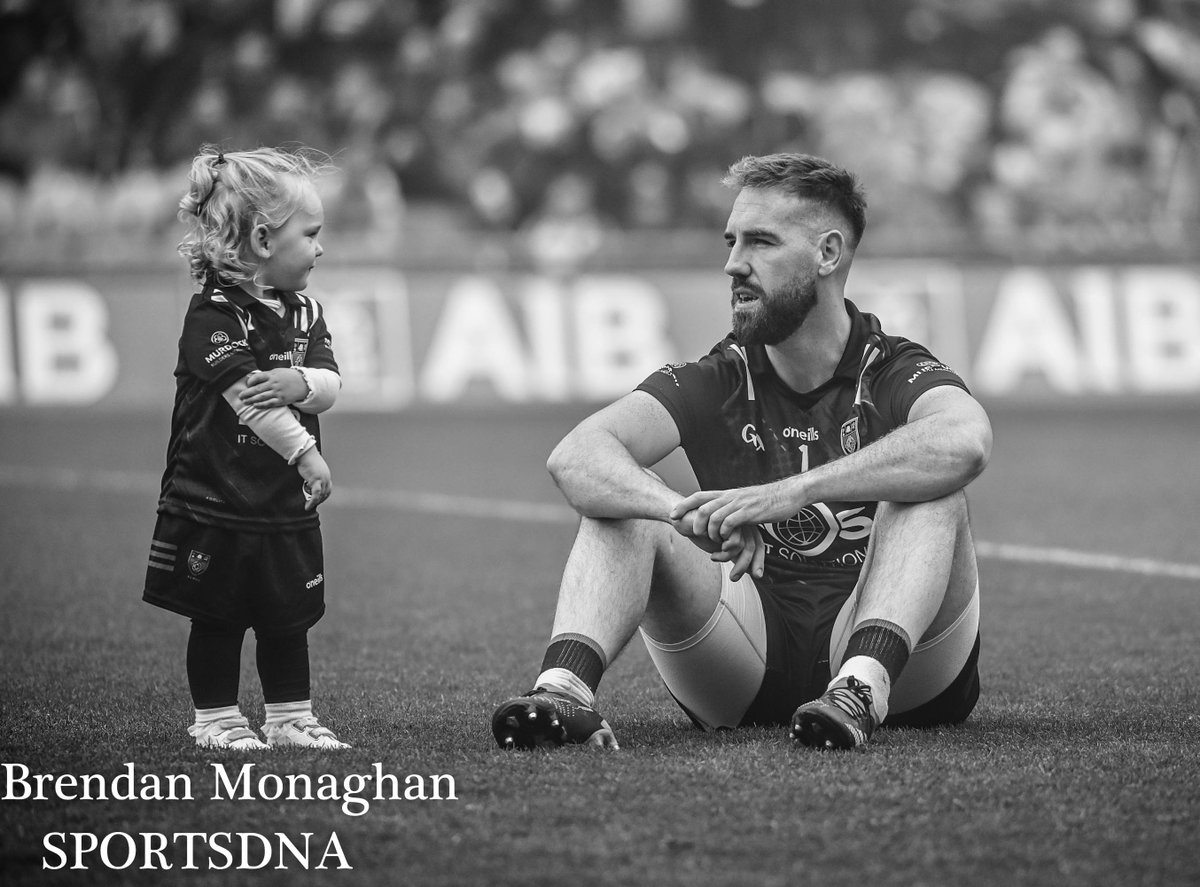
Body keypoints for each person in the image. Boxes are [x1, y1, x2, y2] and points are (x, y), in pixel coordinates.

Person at [491, 152, 992, 751]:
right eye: (731, 242)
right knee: (621, 505)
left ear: (828, 255)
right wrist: (688, 515)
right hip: (747, 658)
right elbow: (576, 457)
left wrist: (795, 490)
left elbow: (965, 440)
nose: (733, 265)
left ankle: (859, 688)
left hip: (910, 675)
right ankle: (563, 692)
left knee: (934, 490)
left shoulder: (891, 368)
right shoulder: (719, 376)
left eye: (760, 242)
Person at [143, 146, 349, 750]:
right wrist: (307, 455)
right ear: (263, 239)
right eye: (310, 234)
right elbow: (250, 404)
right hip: (215, 493)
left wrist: (303, 383)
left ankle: (290, 717)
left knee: (289, 615)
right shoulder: (213, 315)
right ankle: (216, 720)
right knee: (219, 616)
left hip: (281, 500)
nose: (320, 248)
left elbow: (331, 385)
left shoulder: (306, 311)